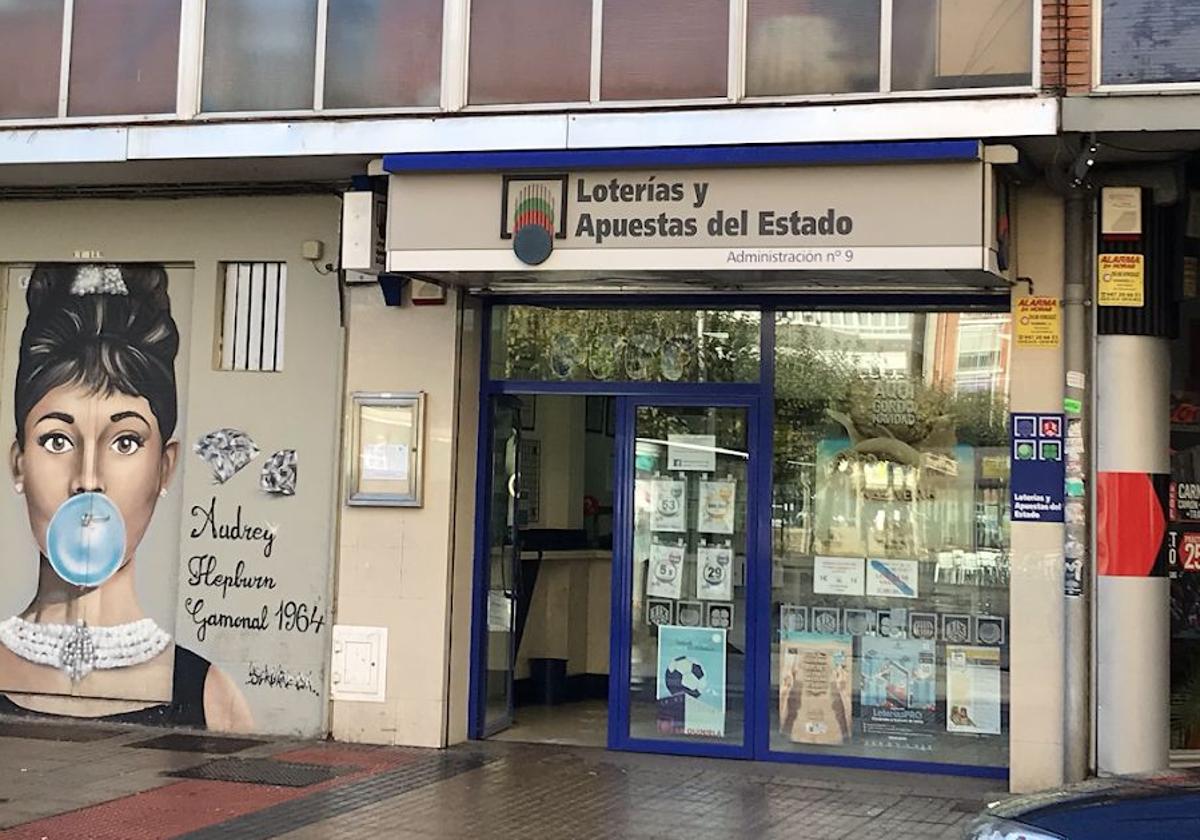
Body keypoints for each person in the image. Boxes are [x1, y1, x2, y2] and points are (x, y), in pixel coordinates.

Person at [0, 263, 252, 731]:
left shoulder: (211, 695)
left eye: (126, 442)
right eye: (57, 440)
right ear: (19, 464)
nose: (88, 479)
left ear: (165, 467)